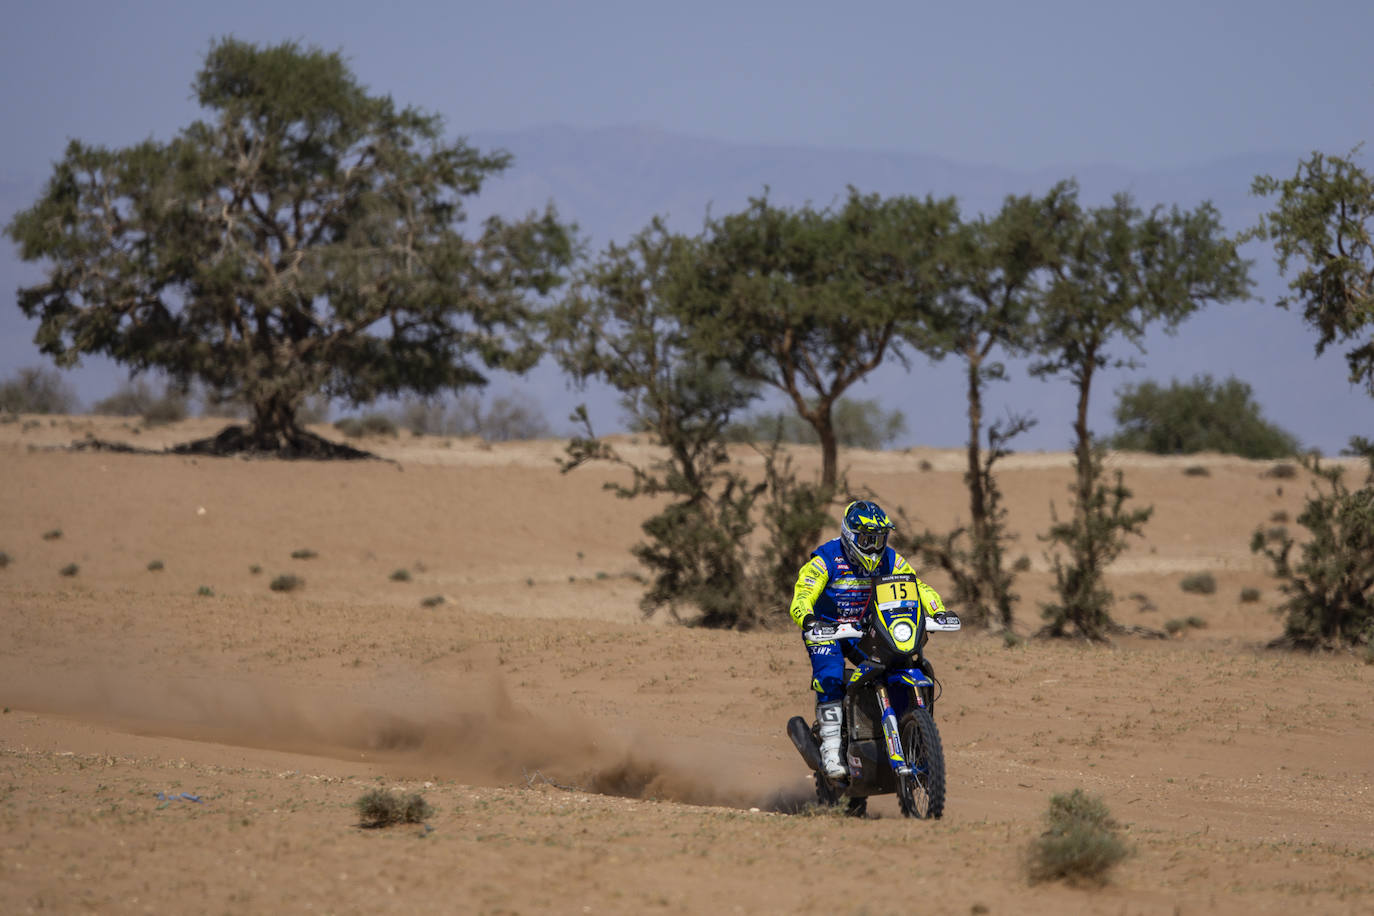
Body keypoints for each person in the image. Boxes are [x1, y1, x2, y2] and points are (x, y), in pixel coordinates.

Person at [789, 499, 944, 780]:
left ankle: (909, 731)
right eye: (866, 540)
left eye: (879, 539)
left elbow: (916, 585)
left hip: (865, 629)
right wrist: (809, 620)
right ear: (850, 536)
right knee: (832, 674)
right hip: (829, 631)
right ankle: (832, 750)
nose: (874, 547)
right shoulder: (826, 558)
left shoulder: (890, 559)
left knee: (900, 662)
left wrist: (937, 609)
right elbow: (802, 595)